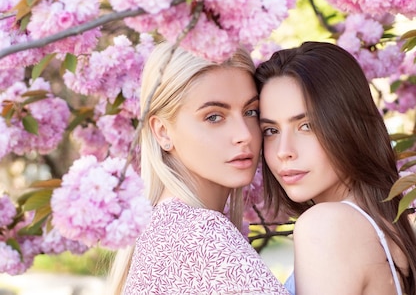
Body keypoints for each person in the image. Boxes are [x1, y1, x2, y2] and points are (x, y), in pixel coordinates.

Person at [107, 41, 288, 295]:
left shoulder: (164, 227)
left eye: (251, 112)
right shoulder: (200, 232)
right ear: (163, 131)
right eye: (214, 116)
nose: (244, 134)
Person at [255, 41, 416, 295]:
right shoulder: (382, 224)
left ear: (348, 125)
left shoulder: (328, 224)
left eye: (307, 126)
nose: (284, 151)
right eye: (271, 131)